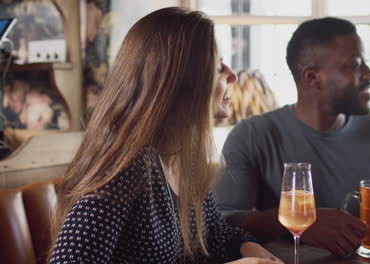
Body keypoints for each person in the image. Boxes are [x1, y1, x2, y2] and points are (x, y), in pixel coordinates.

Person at [49, 7, 283, 264]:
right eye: (217, 67)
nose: (233, 75)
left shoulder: (183, 155)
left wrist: (245, 246)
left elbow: (215, 234)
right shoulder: (124, 168)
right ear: (182, 80)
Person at [214, 17, 370, 257]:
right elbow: (225, 223)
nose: (369, 74)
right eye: (355, 65)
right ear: (312, 77)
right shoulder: (251, 135)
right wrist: (301, 223)